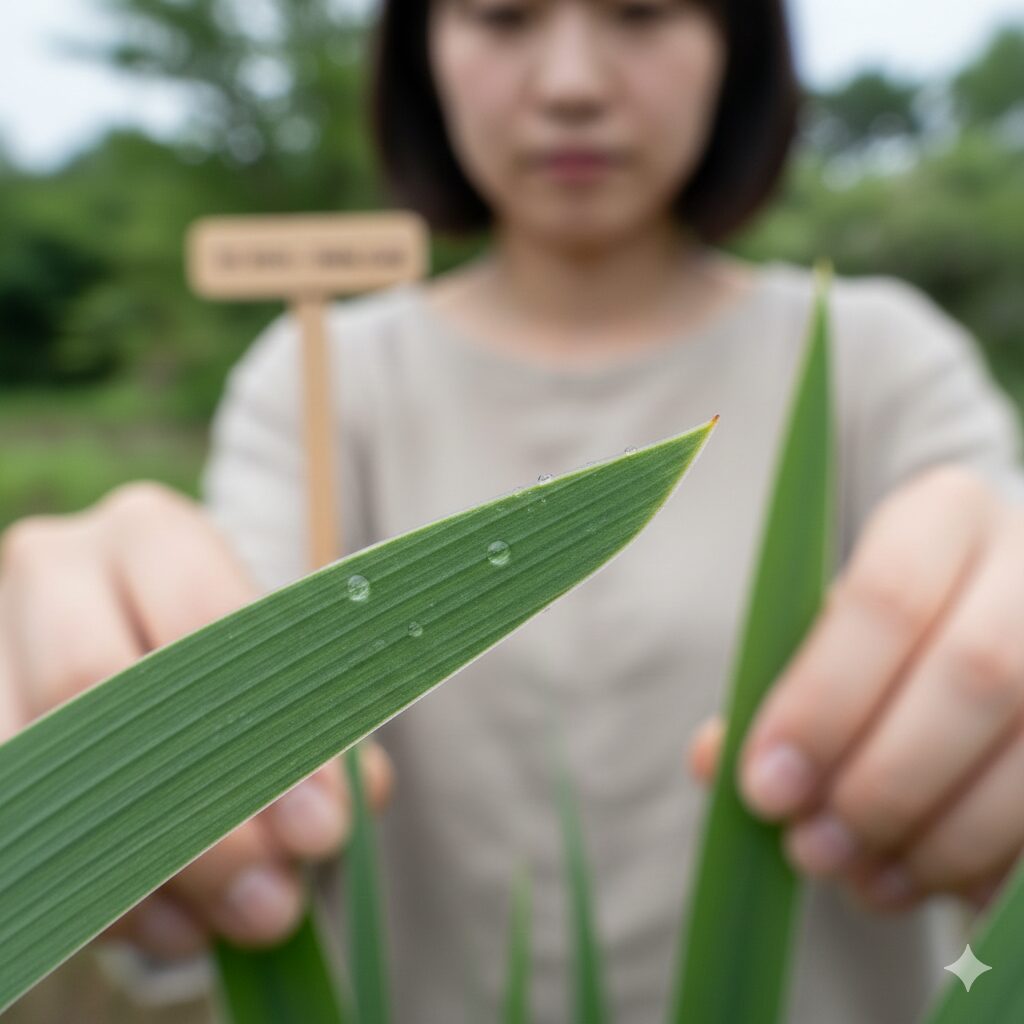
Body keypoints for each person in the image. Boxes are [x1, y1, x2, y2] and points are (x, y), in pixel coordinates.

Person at [3, 0, 1024, 1020]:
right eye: (502, 17)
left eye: (640, 12)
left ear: (735, 48)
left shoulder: (875, 363)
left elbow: (986, 541)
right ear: (422, 55)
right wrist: (127, 706)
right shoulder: (322, 382)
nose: (571, 83)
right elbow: (231, 629)